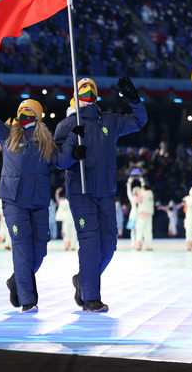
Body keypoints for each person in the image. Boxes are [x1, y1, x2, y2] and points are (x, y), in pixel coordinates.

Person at [0, 68, 83, 313]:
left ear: (38, 116)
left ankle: (15, 281)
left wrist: (74, 144)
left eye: (29, 111)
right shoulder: (7, 134)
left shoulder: (46, 141)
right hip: (14, 201)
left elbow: (61, 162)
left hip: (39, 203)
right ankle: (28, 300)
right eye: (21, 110)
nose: (24, 114)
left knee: (39, 250)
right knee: (21, 249)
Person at [54, 75, 147, 313]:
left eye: (91, 88)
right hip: (81, 192)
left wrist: (134, 99)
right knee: (91, 243)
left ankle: (83, 281)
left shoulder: (109, 121)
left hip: (105, 192)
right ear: (75, 96)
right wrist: (73, 151)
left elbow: (139, 121)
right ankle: (90, 298)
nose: (88, 91)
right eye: (83, 88)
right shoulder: (67, 125)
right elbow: (59, 162)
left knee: (109, 245)